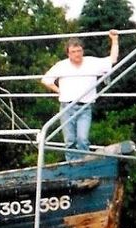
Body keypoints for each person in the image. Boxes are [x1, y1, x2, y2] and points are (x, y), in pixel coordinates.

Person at [41, 30, 119, 161]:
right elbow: (45, 80)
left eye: (79, 51)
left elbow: (112, 60)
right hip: (66, 107)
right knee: (69, 142)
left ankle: (85, 170)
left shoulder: (91, 62)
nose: (77, 54)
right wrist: (59, 91)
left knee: (82, 139)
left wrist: (114, 40)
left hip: (85, 107)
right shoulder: (62, 65)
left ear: (83, 51)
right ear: (68, 54)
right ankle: (72, 174)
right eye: (73, 52)